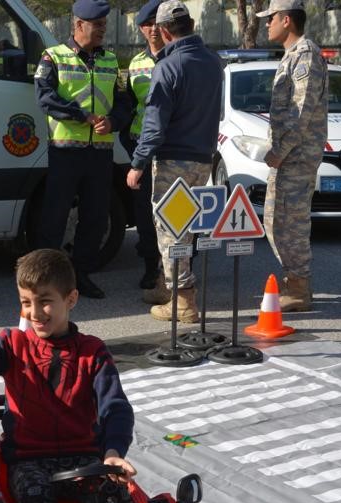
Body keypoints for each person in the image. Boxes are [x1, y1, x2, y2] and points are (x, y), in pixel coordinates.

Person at [0, 249, 137, 503]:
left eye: (44, 301)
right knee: (37, 500)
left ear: (71, 299)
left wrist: (113, 452)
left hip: (83, 457)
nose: (34, 313)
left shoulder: (93, 352)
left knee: (113, 501)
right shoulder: (11, 345)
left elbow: (115, 407)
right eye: (26, 302)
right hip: (28, 460)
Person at [125, 0, 222, 323]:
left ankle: (183, 301)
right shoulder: (212, 62)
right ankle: (170, 287)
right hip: (202, 160)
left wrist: (137, 163)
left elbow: (154, 125)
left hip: (174, 162)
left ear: (164, 31)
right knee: (186, 228)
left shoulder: (168, 66)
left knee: (171, 231)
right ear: (191, 25)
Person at [34, 0, 130, 300]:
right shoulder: (53, 57)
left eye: (104, 24)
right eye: (97, 25)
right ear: (78, 26)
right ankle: (45, 281)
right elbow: (45, 97)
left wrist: (113, 121)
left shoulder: (111, 61)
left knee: (96, 217)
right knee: (54, 217)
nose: (102, 30)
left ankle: (81, 276)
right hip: (66, 151)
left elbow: (124, 103)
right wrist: (81, 116)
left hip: (100, 152)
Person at [257, 0, 328, 312]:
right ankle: (295, 282)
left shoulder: (306, 54)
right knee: (276, 221)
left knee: (291, 224)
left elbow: (300, 112)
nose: (266, 24)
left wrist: (279, 152)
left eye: (270, 18)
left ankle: (299, 288)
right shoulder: (293, 55)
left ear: (286, 20)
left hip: (296, 157)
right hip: (290, 156)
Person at [122, 0, 168, 303]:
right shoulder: (135, 64)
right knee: (144, 211)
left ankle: (174, 269)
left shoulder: (177, 57)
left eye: (156, 23)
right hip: (141, 148)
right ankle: (152, 265)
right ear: (141, 29)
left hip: (172, 149)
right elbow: (129, 106)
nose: (152, 29)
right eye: (146, 25)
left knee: (173, 211)